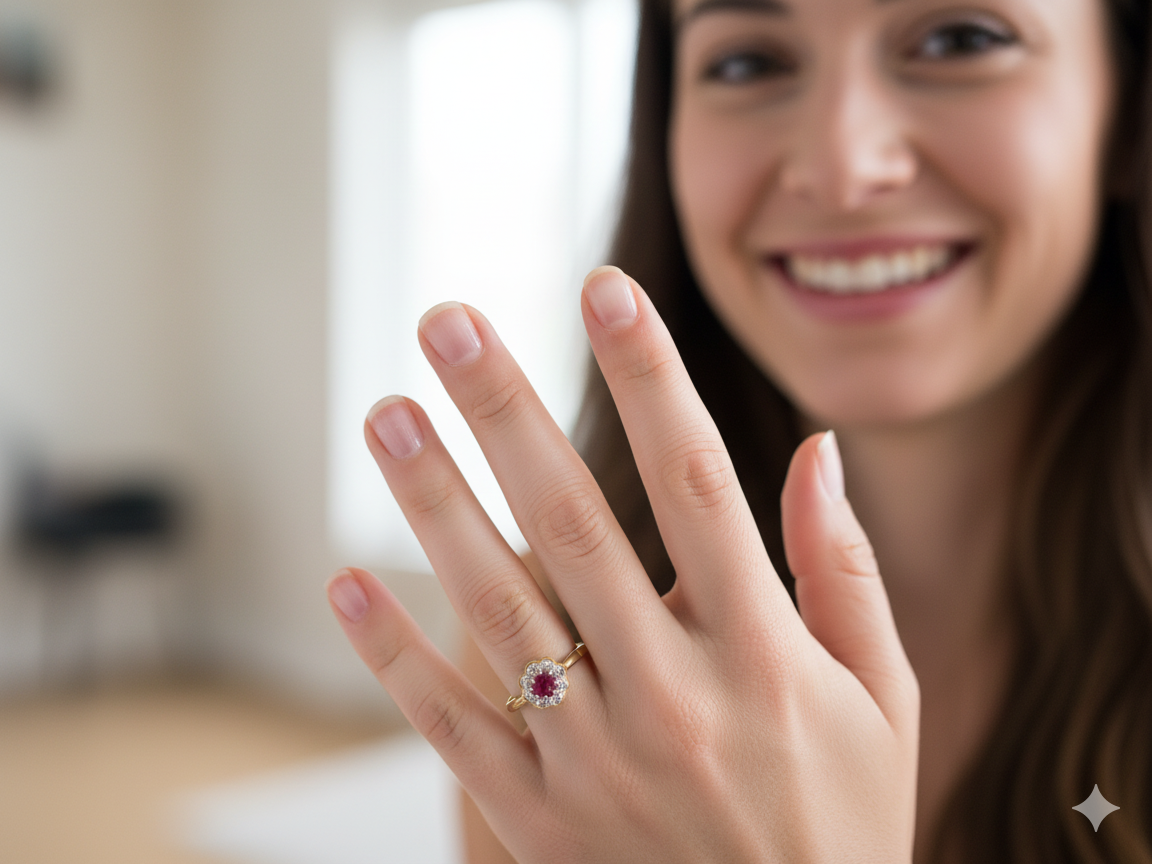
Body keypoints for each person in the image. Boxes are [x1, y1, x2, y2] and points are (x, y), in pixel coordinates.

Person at [326, 0, 1152, 860]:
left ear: (1129, 109)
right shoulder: (559, 653)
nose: (840, 168)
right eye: (748, 61)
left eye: (961, 40)